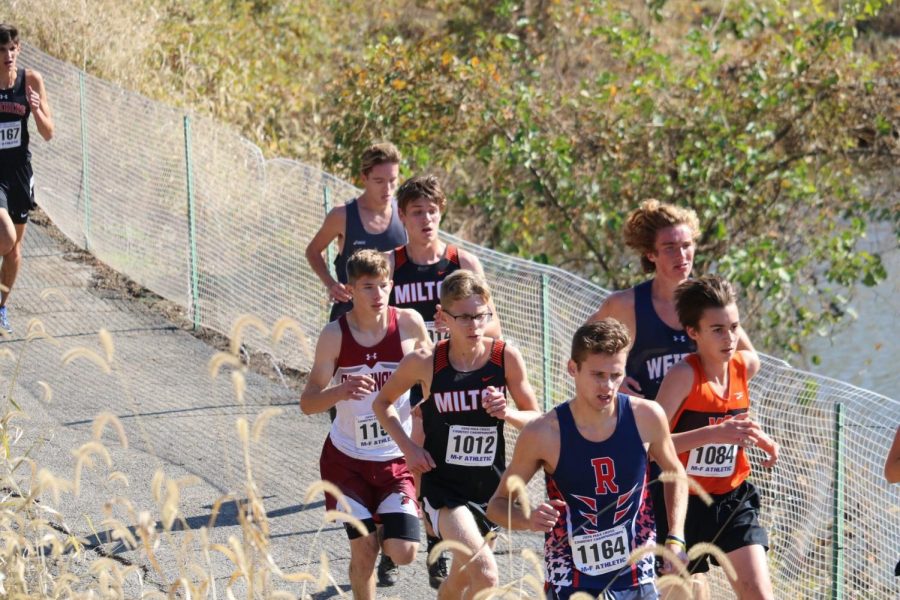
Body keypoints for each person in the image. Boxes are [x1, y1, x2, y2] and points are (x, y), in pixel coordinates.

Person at [587, 200, 754, 599]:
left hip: (705, 451)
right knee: (674, 572)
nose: (683, 256)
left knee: (693, 570)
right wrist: (616, 377)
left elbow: (750, 359)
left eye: (688, 245)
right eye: (671, 248)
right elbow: (579, 358)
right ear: (650, 253)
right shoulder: (626, 305)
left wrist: (701, 371)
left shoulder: (706, 303)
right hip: (649, 455)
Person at [487, 319, 689, 600]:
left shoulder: (647, 417)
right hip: (571, 576)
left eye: (615, 375)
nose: (607, 386)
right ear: (573, 368)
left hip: (636, 573)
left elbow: (674, 472)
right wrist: (529, 519)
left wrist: (676, 535)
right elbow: (496, 506)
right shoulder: (543, 433)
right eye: (597, 374)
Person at [373, 270, 541, 599]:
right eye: (464, 317)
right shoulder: (425, 361)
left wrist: (507, 413)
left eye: (481, 315)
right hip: (443, 488)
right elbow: (382, 403)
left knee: (463, 580)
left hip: (490, 488)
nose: (474, 326)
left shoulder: (504, 357)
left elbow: (537, 419)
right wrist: (408, 448)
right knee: (486, 572)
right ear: (443, 317)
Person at [386, 173, 502, 589]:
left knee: (448, 457)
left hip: (460, 378)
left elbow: (495, 330)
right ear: (402, 216)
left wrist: (460, 331)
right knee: (407, 453)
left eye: (433, 211)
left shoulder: (463, 264)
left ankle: (437, 532)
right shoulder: (391, 266)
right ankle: (414, 527)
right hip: (412, 372)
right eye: (417, 212)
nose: (427, 219)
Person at [299, 249, 430, 600]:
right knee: (366, 549)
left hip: (394, 459)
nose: (378, 295)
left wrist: (423, 410)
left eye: (384, 285)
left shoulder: (409, 324)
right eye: (368, 287)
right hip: (346, 462)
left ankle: (387, 519)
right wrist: (341, 390)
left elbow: (434, 375)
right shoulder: (335, 335)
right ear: (351, 290)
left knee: (404, 553)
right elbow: (307, 402)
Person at [654, 275, 779, 600]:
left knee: (760, 594)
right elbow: (650, 448)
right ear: (693, 333)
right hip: (679, 506)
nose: (730, 338)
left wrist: (761, 437)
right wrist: (712, 434)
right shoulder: (683, 376)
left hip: (731, 500)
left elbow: (735, 423)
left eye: (735, 327)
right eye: (718, 330)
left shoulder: (743, 366)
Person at [305, 141, 407, 323]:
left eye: (393, 181)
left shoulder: (404, 214)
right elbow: (312, 251)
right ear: (364, 178)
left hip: (392, 319)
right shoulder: (342, 215)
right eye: (379, 181)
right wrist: (331, 284)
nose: (388, 188)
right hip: (350, 319)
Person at [0, 24, 53, 334]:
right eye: (2, 50)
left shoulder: (31, 81)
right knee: (4, 236)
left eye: (12, 49)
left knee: (14, 251)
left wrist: (35, 110)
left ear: (19, 49)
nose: (8, 55)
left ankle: (1, 308)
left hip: (19, 172)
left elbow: (48, 133)